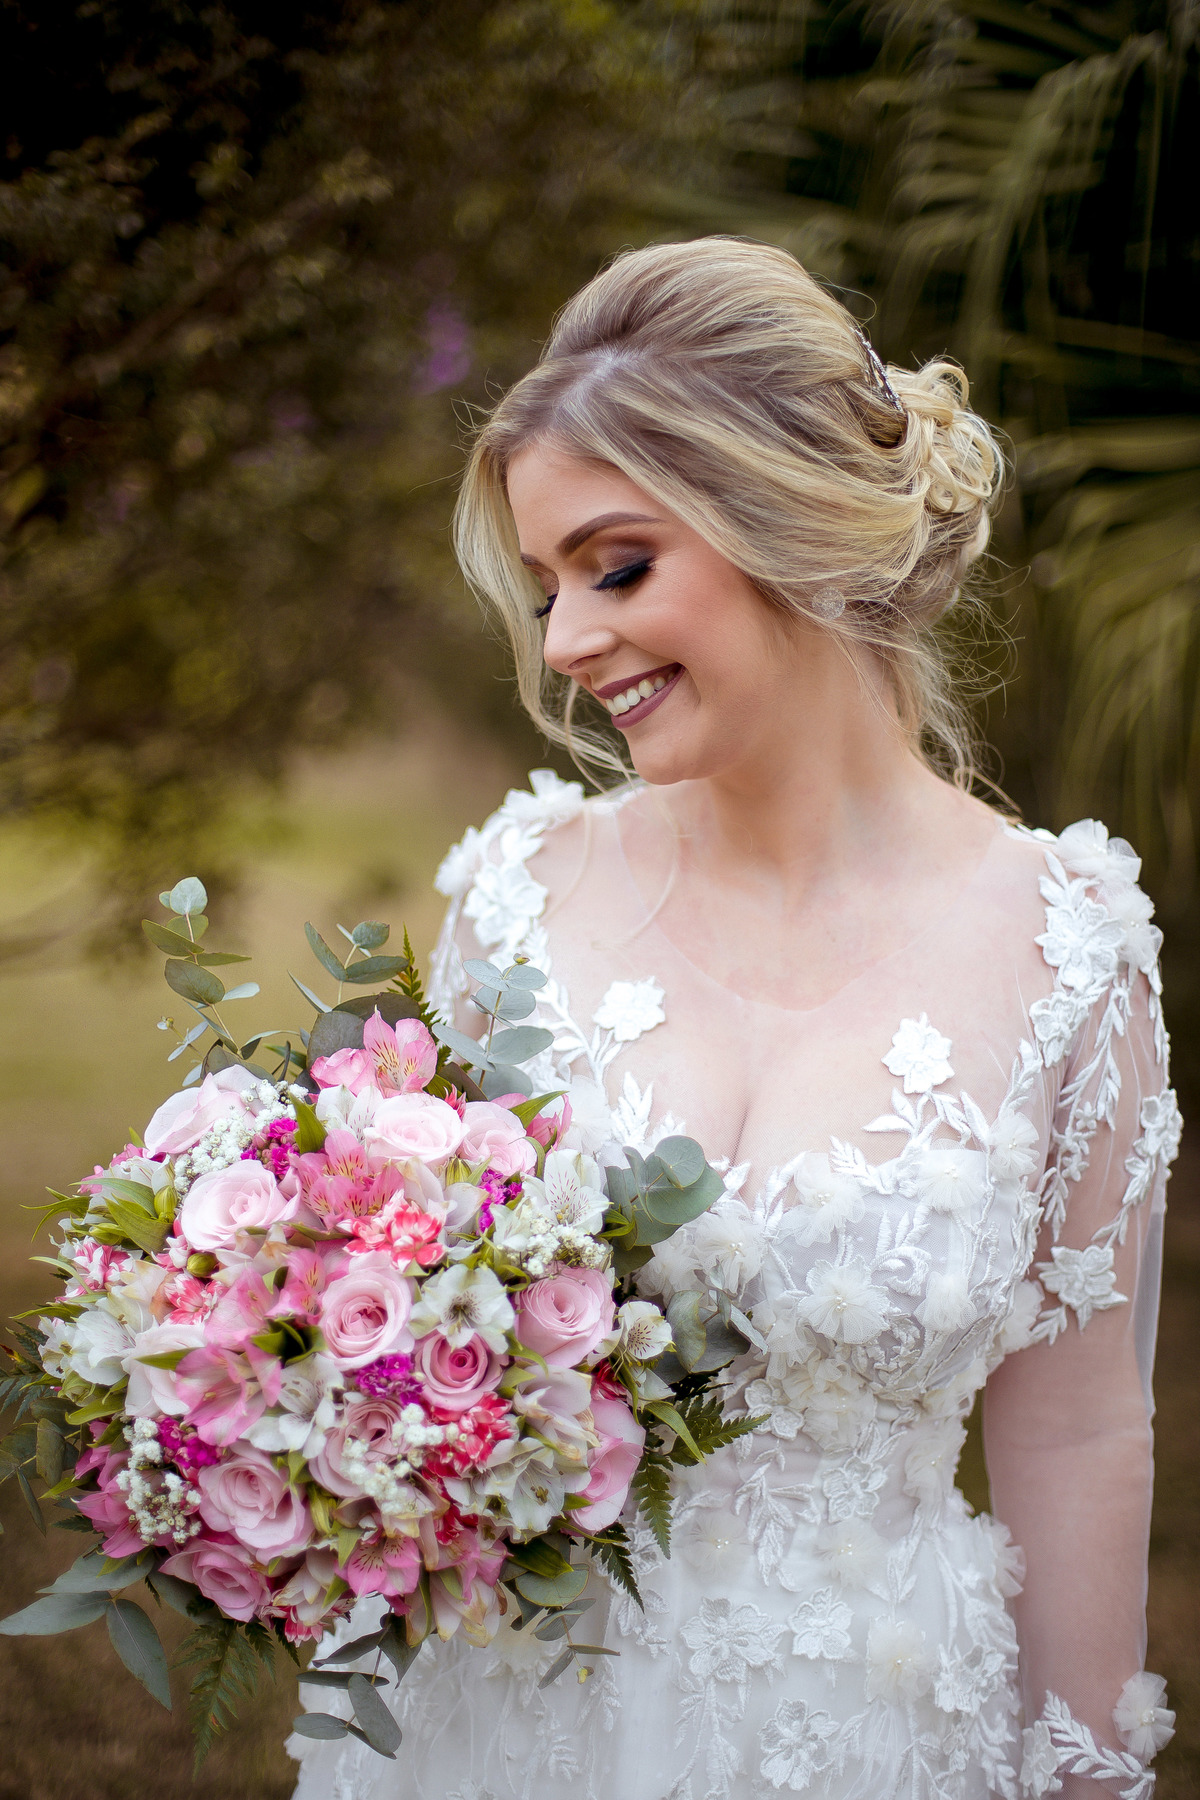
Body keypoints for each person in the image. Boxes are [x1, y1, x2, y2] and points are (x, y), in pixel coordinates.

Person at [288, 237, 1178, 1800]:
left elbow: (1080, 1431)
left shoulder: (1069, 955)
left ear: (787, 518)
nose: (564, 643)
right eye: (551, 586)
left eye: (614, 567)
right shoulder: (514, 900)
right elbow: (401, 1317)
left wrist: (1085, 1770)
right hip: (505, 1720)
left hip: (866, 1736)